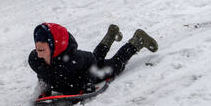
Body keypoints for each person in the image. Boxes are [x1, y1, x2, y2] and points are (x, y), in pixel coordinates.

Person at [29, 23, 158, 96]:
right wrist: (43, 88)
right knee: (97, 57)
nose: (39, 54)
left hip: (88, 73)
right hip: (80, 70)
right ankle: (111, 35)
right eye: (37, 49)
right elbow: (43, 72)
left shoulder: (71, 59)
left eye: (42, 50)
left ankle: (138, 41)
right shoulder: (35, 59)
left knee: (115, 65)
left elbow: (90, 60)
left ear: (54, 48)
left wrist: (88, 83)